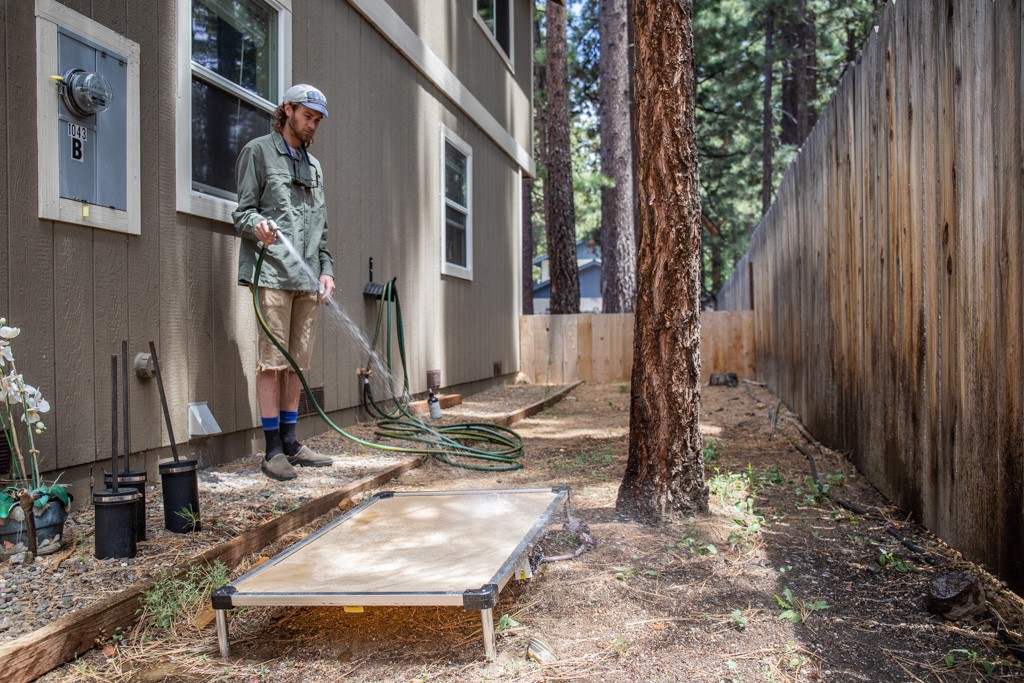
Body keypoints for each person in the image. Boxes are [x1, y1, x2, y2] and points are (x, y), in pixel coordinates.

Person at [233, 84, 336, 481]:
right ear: (288, 110)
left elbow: (322, 230)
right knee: (272, 362)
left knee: (296, 363)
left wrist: (325, 270)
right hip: (273, 272)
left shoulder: (315, 168)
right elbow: (241, 213)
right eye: (308, 116)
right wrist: (256, 225)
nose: (313, 125)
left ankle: (292, 443)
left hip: (307, 278)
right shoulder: (257, 152)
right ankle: (272, 449)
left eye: (318, 120)